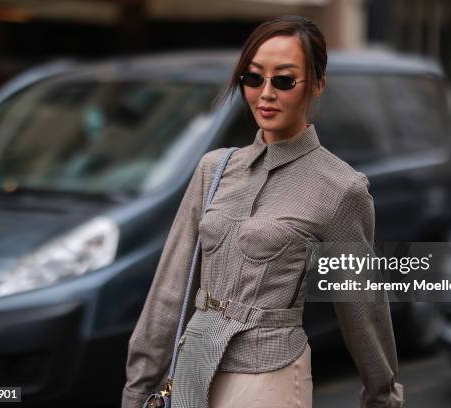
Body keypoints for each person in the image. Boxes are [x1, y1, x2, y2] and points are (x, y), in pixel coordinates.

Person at [122, 15, 404, 408]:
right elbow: (169, 291)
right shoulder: (214, 169)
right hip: (193, 365)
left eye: (284, 80)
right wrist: (138, 389)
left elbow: (363, 309)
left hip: (268, 376)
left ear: (318, 85)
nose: (265, 93)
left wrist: (382, 396)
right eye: (254, 79)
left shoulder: (341, 188)